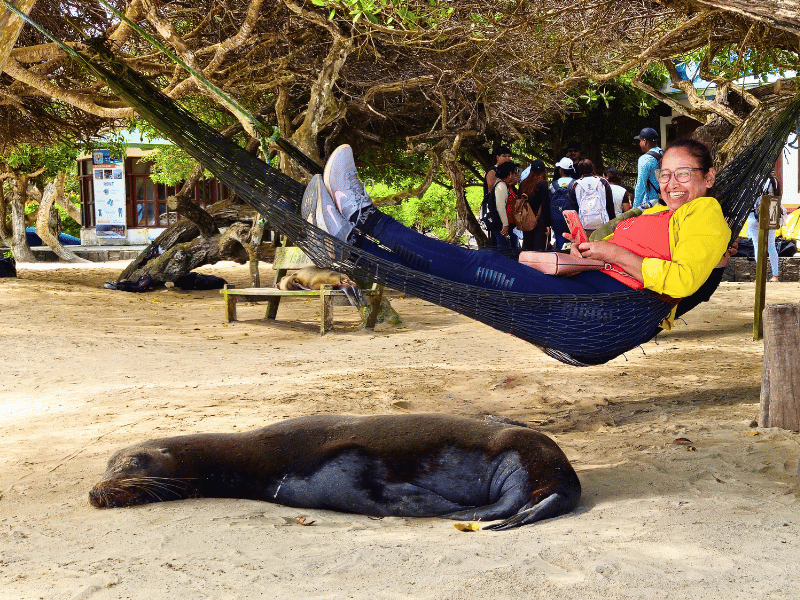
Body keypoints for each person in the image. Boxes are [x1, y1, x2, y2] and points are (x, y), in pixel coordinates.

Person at [301, 140, 730, 330]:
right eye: (665, 174)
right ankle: (351, 241)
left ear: (708, 177)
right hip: (589, 290)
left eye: (684, 174)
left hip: (602, 307)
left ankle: (363, 219)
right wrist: (594, 247)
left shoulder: (705, 212)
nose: (671, 184)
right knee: (466, 272)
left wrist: (612, 253)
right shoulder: (661, 211)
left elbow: (682, 281)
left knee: (480, 266)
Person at [746, 171, 784, 282]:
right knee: (771, 246)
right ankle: (775, 276)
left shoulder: (752, 180)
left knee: (757, 246)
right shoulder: (774, 181)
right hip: (771, 211)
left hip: (753, 213)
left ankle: (760, 276)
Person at [568, 159, 615, 235]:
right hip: (603, 224)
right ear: (592, 168)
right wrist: (613, 222)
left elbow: (574, 207)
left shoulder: (576, 185)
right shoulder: (602, 182)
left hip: (584, 225)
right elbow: (610, 205)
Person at [517, 160, 551, 251]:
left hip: (526, 217)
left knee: (527, 245)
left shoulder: (523, 183)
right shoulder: (542, 184)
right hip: (539, 219)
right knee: (538, 247)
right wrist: (548, 224)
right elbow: (545, 204)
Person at [549, 157, 578, 249]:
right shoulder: (576, 184)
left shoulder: (553, 185)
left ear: (561, 170)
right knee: (573, 244)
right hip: (572, 219)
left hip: (557, 219)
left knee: (560, 243)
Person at [633, 127, 662, 209]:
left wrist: (635, 208)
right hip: (665, 200)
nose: (640, 144)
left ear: (645, 141)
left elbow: (641, 186)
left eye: (640, 141)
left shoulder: (645, 159)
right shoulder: (663, 153)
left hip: (652, 204)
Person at [494, 161, 520, 250]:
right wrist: (505, 224)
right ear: (510, 174)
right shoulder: (501, 186)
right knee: (505, 250)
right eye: (514, 173)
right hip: (502, 225)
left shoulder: (508, 186)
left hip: (511, 224)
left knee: (513, 248)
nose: (516, 175)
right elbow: (500, 206)